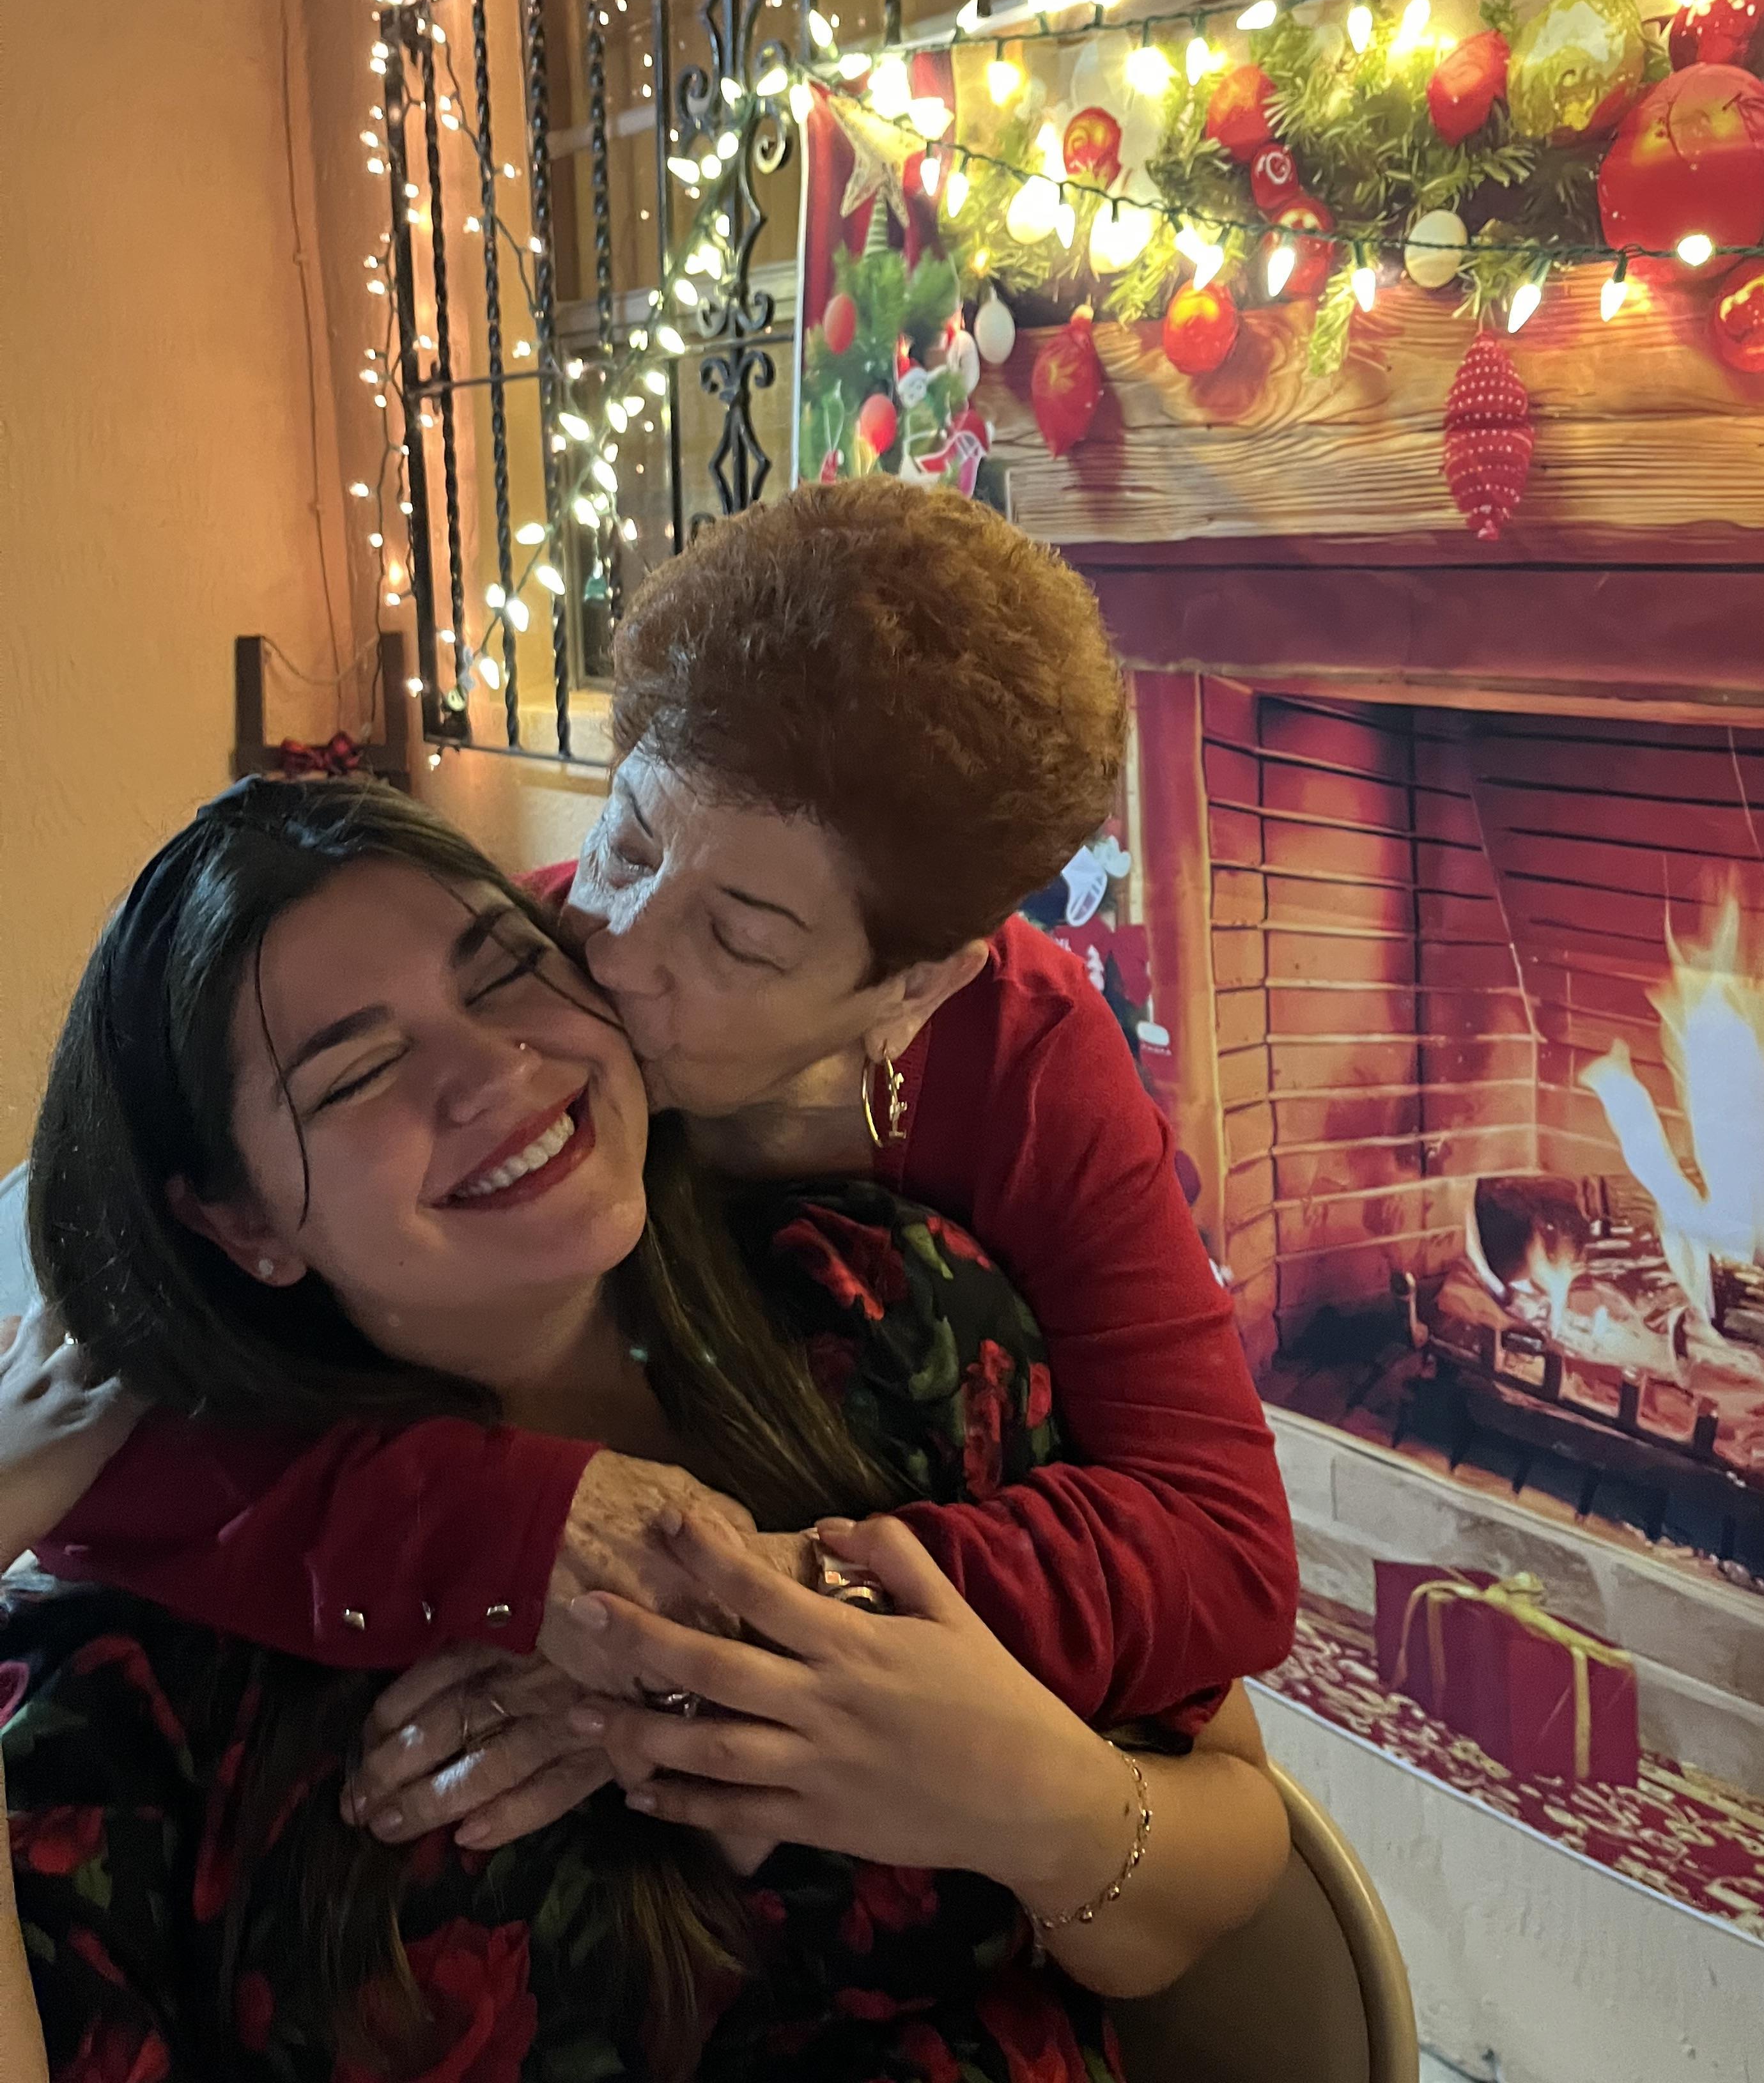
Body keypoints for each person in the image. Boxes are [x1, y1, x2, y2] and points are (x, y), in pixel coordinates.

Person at [3, 780, 1289, 2079]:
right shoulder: (156, 1651)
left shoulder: (896, 1315)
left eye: (505, 971)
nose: (496, 1071)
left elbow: (1228, 1844)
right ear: (242, 1224)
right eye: (364, 1070)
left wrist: (1036, 1806)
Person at [35, 483, 1299, 1740]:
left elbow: (1224, 1555)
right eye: (628, 844)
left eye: (740, 940)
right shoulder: (507, 985)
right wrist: (516, 1532)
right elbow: (107, 1372)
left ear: (915, 983)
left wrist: (745, 1608)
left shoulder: (1022, 1067)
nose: (616, 952)